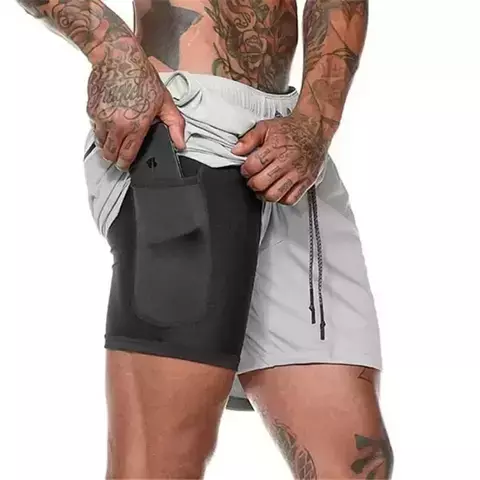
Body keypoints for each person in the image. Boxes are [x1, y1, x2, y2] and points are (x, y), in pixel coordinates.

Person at [16, 0, 393, 478]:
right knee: (164, 462)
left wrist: (315, 123)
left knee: (357, 463)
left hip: (293, 140)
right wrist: (111, 47)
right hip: (186, 128)